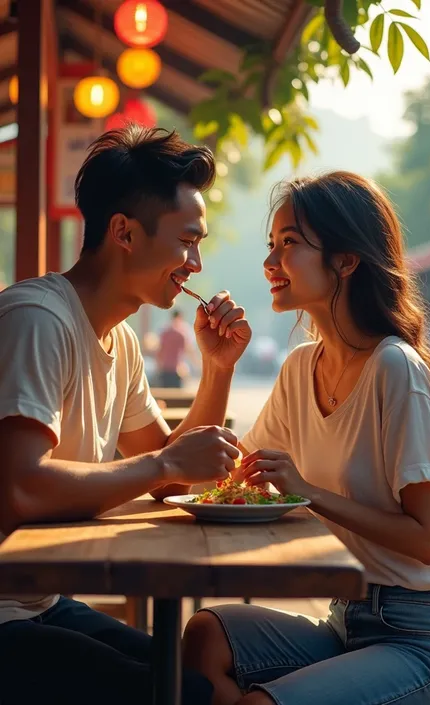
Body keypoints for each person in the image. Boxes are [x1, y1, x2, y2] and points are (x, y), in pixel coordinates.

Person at [182, 172, 430, 705]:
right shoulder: (299, 368)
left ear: (346, 259)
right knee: (205, 637)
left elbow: (425, 538)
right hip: (347, 621)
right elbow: (222, 473)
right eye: (271, 245)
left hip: (422, 640)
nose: (271, 263)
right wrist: (218, 368)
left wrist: (306, 491)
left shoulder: (395, 368)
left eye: (289, 244)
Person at [0, 125, 251, 705]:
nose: (195, 262)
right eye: (187, 241)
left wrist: (217, 370)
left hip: (40, 600)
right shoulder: (38, 319)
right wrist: (164, 463)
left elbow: (174, 481)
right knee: (189, 694)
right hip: (5, 613)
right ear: (124, 233)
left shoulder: (123, 341)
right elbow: (20, 488)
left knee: (205, 681)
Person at [157, 309, 198, 387]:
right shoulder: (183, 334)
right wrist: (197, 364)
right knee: (177, 396)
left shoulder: (164, 333)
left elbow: (159, 352)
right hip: (177, 370)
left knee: (165, 395)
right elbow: (189, 350)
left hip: (165, 369)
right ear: (180, 317)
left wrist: (159, 367)